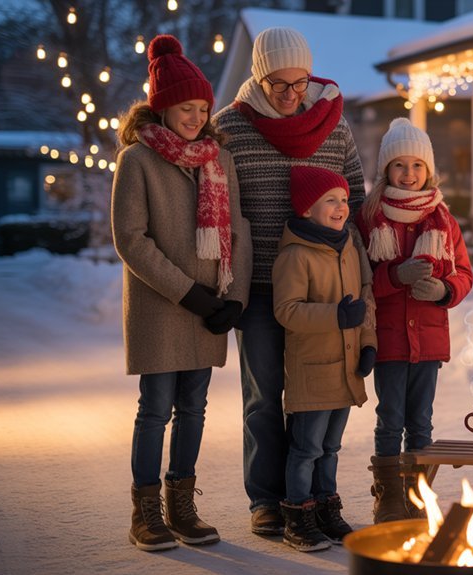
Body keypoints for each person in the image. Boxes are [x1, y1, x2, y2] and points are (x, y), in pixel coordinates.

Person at [211, 26, 367, 535]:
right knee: (263, 396)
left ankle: (309, 496)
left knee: (317, 394)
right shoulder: (229, 127)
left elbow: (356, 198)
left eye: (300, 83)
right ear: (259, 78)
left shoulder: (334, 125)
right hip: (259, 286)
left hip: (323, 291)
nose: (290, 94)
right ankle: (266, 499)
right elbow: (215, 207)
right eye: (278, 84)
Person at [111, 34, 252, 551]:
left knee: (194, 408)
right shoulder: (137, 160)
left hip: (210, 304)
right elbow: (131, 239)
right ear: (162, 107)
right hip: (161, 305)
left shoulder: (219, 159)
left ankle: (182, 506)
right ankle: (146, 511)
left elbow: (237, 228)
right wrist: (188, 293)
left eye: (201, 108)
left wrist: (233, 297)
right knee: (156, 409)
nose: (195, 117)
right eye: (184, 107)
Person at [357, 118, 473, 523]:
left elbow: (464, 273)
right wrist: (394, 277)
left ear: (429, 170)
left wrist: (444, 290)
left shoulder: (443, 220)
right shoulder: (369, 219)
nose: (409, 174)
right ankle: (389, 496)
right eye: (399, 165)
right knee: (390, 419)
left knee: (421, 422)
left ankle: (418, 494)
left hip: (428, 340)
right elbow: (358, 280)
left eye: (417, 166)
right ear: (386, 170)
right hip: (389, 339)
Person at [271, 166, 377, 551]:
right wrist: (335, 315)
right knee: (306, 449)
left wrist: (368, 343)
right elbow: (286, 310)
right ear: (306, 209)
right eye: (330, 200)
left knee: (331, 447)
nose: (341, 207)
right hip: (313, 372)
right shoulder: (295, 255)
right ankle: (297, 516)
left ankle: (325, 508)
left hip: (345, 369)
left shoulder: (349, 247)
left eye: (344, 199)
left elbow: (365, 297)